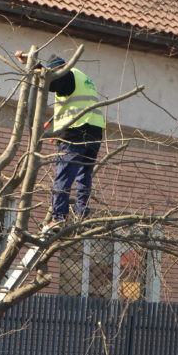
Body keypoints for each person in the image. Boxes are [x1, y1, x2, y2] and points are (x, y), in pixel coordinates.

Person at [15, 50, 106, 230]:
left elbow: (53, 81)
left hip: (76, 131)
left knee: (63, 175)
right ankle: (83, 217)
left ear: (58, 69)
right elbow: (74, 101)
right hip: (95, 131)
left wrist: (33, 65)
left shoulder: (67, 75)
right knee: (83, 176)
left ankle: (58, 218)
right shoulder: (82, 77)